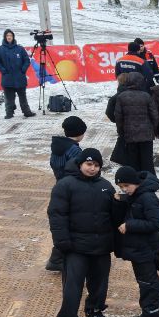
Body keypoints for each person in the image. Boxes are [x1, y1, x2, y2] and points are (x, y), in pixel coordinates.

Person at [47, 148, 120, 317]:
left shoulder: (106, 186)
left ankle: (95, 310)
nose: (92, 168)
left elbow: (113, 216)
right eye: (89, 164)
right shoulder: (65, 185)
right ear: (80, 164)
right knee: (72, 286)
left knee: (99, 284)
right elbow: (57, 216)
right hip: (75, 247)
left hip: (101, 245)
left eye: (96, 165)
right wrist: (62, 242)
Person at [113, 166, 159, 317]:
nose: (124, 189)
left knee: (146, 282)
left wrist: (130, 225)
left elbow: (155, 223)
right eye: (121, 187)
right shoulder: (137, 195)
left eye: (126, 186)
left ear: (136, 183)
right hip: (141, 248)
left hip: (144, 248)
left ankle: (151, 315)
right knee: (151, 279)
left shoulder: (147, 197)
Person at [46, 115, 87, 272]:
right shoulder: (74, 150)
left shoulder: (57, 146)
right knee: (72, 225)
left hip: (60, 186)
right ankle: (58, 259)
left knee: (66, 225)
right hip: (72, 191)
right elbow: (78, 170)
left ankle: (57, 259)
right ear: (80, 132)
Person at [108, 71, 158, 175]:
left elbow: (119, 117)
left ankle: (134, 180)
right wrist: (153, 128)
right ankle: (150, 180)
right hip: (146, 134)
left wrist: (121, 131)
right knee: (147, 160)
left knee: (132, 160)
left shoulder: (122, 97)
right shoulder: (146, 96)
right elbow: (154, 115)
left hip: (130, 134)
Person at [0, 29, 35, 119]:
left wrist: (23, 70)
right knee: (9, 98)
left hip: (19, 77)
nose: (9, 37)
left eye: (10, 35)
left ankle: (27, 112)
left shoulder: (20, 49)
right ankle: (9, 113)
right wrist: (3, 71)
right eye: (7, 35)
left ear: (13, 37)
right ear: (5, 37)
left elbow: (26, 60)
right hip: (7, 78)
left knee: (23, 97)